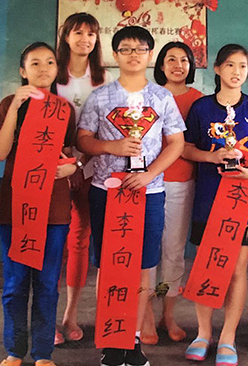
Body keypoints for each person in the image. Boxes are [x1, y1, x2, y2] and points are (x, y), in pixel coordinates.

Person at [77, 26, 186, 366]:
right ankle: (110, 340)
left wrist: (150, 174)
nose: (134, 54)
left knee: (143, 268)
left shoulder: (162, 98)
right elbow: (83, 140)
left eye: (141, 48)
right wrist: (110, 146)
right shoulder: (100, 97)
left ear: (149, 55)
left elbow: (177, 143)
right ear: (115, 56)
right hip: (107, 192)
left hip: (149, 193)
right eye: (126, 49)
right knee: (108, 266)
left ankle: (133, 338)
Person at [183, 43, 248, 366]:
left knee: (237, 270)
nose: (237, 72)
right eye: (231, 65)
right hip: (210, 199)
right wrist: (211, 156)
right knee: (207, 265)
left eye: (243, 67)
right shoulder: (201, 108)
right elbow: (185, 149)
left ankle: (228, 337)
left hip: (246, 201)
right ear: (218, 69)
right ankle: (203, 333)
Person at [0, 42, 78, 366]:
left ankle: (43, 353)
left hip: (53, 208)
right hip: (16, 207)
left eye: (50, 62)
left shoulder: (63, 108)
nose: (43, 68)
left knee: (46, 284)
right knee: (14, 284)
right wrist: (15, 107)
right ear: (22, 70)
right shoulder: (7, 104)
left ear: (57, 69)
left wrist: (73, 167)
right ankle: (14, 350)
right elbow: (0, 152)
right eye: (35, 63)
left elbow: (72, 153)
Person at [54, 11, 113, 345]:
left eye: (91, 34)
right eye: (78, 32)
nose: (85, 39)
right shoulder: (52, 77)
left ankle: (71, 314)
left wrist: (81, 163)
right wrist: (63, 163)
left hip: (91, 169)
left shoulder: (103, 79)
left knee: (80, 239)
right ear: (66, 37)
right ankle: (48, 315)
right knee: (54, 243)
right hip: (54, 172)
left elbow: (106, 128)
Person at [140, 41, 203, 345]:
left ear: (192, 65)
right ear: (160, 65)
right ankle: (146, 314)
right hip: (148, 184)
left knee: (173, 254)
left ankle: (168, 311)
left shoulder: (200, 100)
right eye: (171, 59)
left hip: (182, 183)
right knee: (147, 252)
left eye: (184, 60)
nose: (178, 65)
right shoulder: (147, 96)